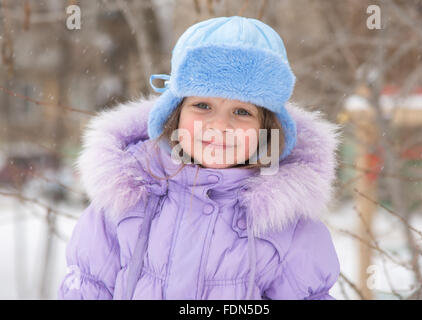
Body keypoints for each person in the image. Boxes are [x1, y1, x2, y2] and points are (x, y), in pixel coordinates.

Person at [58, 16, 342, 300]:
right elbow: (88, 287)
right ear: (175, 113)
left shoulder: (285, 220)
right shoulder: (128, 195)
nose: (219, 126)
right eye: (202, 105)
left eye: (242, 112)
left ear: (265, 128)